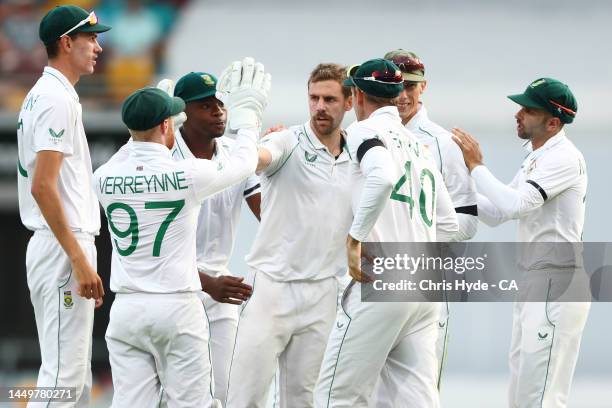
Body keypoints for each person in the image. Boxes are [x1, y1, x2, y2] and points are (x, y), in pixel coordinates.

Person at [95, 57, 270, 407]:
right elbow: (244, 162)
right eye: (206, 106)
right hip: (179, 298)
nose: (219, 111)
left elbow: (127, 155)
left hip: (129, 306)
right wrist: (249, 119)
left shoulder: (103, 176)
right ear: (168, 123)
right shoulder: (189, 174)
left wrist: (150, 122)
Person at [314, 58, 458, 407]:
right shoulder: (418, 146)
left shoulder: (365, 131)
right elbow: (450, 225)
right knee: (416, 399)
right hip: (423, 287)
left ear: (359, 95)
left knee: (336, 396)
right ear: (396, 94)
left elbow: (382, 176)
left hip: (381, 281)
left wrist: (355, 238)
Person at [452, 77, 589, 408]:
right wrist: (452, 198)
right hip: (534, 281)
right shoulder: (536, 155)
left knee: (540, 397)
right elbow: (500, 212)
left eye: (528, 110)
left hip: (556, 282)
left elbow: (515, 205)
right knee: (522, 393)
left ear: (553, 122)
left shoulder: (563, 157)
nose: (518, 114)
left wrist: (475, 166)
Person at [225, 63, 354, 407]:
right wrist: (248, 126)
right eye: (313, 98)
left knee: (304, 399)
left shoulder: (359, 153)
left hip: (323, 292)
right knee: (245, 396)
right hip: (272, 288)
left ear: (349, 102)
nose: (320, 107)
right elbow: (257, 159)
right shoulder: (288, 140)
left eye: (329, 99)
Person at [16, 5, 110, 406]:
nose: (99, 47)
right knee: (63, 377)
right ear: (66, 42)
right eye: (90, 38)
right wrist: (77, 258)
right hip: (61, 247)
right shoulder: (55, 98)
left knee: (71, 375)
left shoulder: (49, 94)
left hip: (58, 245)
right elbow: (42, 187)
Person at [384, 48, 479, 387]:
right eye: (395, 87)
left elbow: (467, 222)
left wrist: (411, 234)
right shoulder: (364, 137)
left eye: (410, 86)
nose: (402, 96)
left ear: (423, 87)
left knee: (420, 390)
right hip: (372, 282)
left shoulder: (444, 144)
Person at [171, 71, 260, 404]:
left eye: (221, 104)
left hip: (221, 290)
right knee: (179, 394)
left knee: (230, 391)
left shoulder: (236, 153)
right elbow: (158, 253)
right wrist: (208, 283)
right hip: (173, 290)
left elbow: (268, 215)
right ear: (184, 110)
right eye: (206, 106)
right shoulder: (165, 157)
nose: (219, 112)